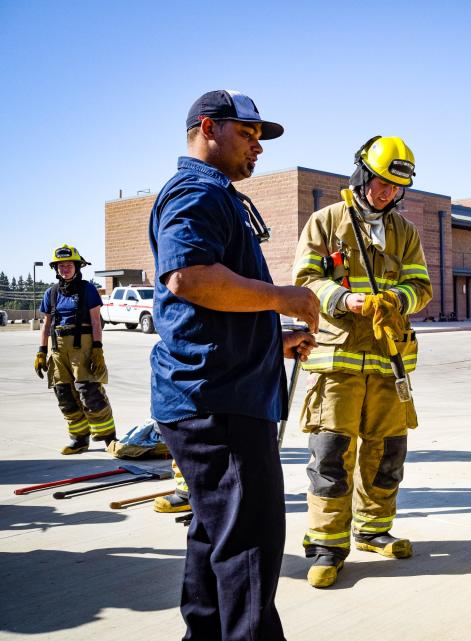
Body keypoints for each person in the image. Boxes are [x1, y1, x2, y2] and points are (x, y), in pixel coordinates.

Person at [149, 89, 320, 641]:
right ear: (207, 128)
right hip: (218, 404)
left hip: (217, 395)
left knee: (215, 538)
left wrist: (274, 339)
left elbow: (212, 307)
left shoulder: (215, 194)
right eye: (247, 134)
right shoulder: (196, 192)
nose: (257, 147)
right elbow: (190, 278)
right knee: (250, 546)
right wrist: (280, 298)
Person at [293, 135, 432, 589]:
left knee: (387, 454)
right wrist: (346, 299)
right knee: (330, 457)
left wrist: (395, 298)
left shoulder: (405, 233)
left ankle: (373, 530)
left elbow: (422, 287)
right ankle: (327, 547)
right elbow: (306, 281)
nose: (386, 192)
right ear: (361, 174)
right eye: (380, 182)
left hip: (389, 365)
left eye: (395, 187)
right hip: (336, 366)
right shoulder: (326, 222)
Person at [35, 245, 116, 454]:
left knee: (90, 393)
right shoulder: (51, 293)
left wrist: (97, 349)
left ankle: (109, 438)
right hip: (58, 350)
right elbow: (46, 324)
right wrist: (41, 352)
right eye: (61, 266)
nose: (65, 269)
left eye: (69, 265)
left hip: (83, 347)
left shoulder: (87, 289)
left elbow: (96, 321)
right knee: (64, 395)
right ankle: (79, 439)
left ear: (77, 266)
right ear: (56, 269)